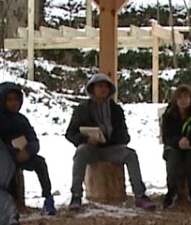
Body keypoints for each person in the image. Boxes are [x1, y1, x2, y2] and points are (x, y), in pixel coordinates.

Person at [65, 73, 155, 210]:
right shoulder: (82, 109)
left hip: (112, 148)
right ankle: (76, 196)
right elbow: (70, 133)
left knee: (130, 154)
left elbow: (125, 135)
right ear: (92, 89)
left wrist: (111, 138)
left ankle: (140, 195)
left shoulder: (116, 109)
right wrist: (86, 139)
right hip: (91, 149)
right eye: (100, 86)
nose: (103, 89)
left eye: (106, 87)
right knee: (80, 152)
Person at [0, 82, 56, 215]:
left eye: (16, 99)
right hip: (5, 159)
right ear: (2, 101)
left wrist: (29, 150)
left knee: (40, 163)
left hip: (25, 155)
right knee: (11, 172)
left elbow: (34, 139)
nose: (14, 103)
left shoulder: (22, 120)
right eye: (10, 99)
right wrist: (13, 153)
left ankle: (48, 197)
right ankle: (12, 204)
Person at [159, 85, 191, 210]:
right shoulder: (168, 115)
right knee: (173, 160)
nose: (183, 100)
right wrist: (178, 141)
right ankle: (171, 191)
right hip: (173, 147)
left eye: (186, 97)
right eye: (180, 97)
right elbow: (166, 136)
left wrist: (189, 141)